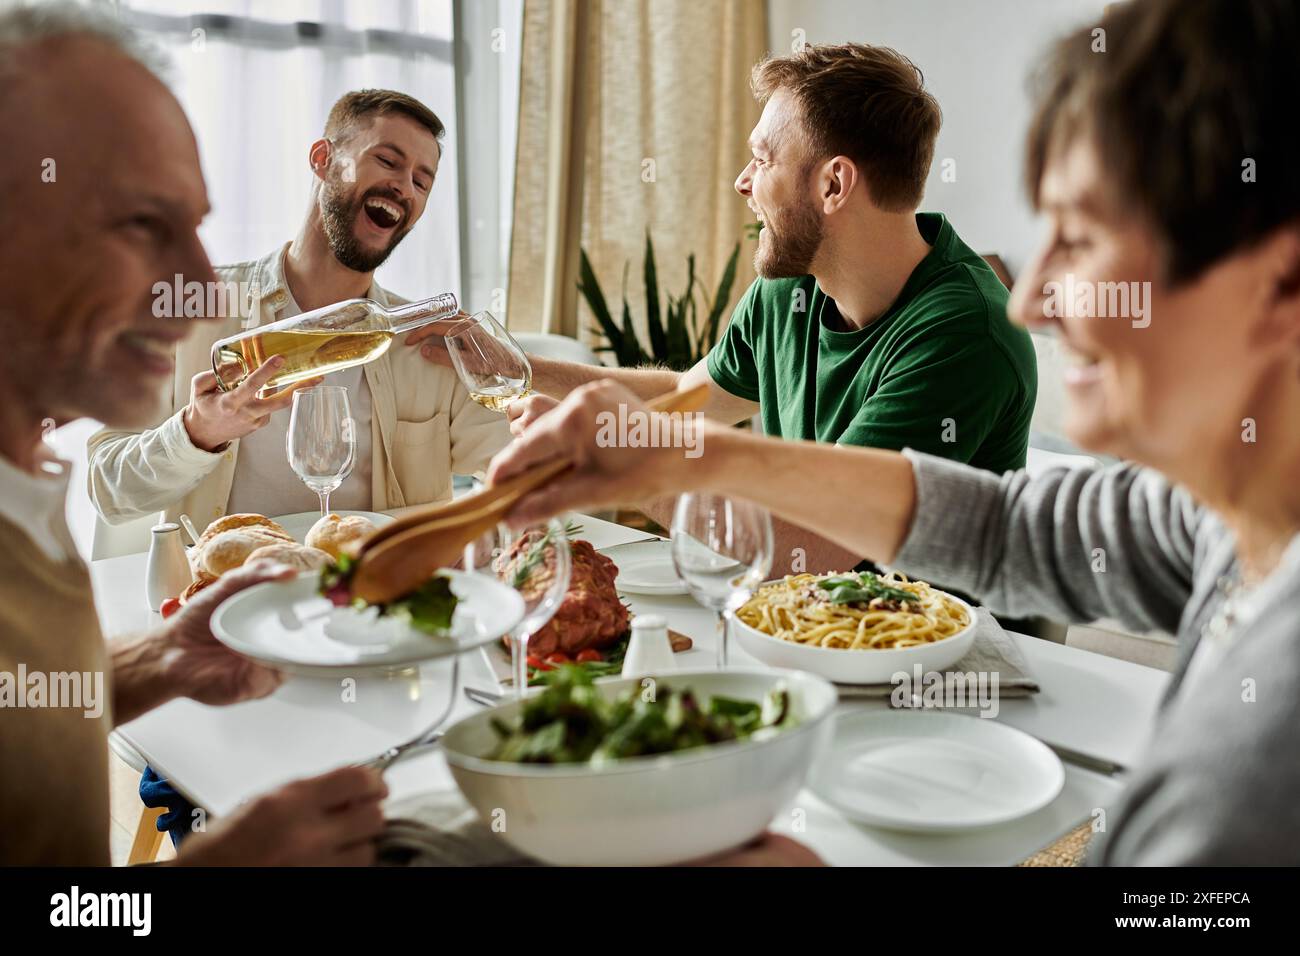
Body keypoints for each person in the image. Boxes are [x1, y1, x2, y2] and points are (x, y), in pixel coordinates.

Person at [488, 0, 1300, 865]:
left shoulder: (1256, 763)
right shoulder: (1220, 519)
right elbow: (1000, 525)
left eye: (1083, 234)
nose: (1032, 299)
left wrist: (654, 471)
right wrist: (672, 448)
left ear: (1279, 280)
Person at [0, 2, 387, 866]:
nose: (202, 290)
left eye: (196, 227)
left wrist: (159, 662)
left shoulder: (23, 492)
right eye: (143, 224)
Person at [413, 42, 1037, 576]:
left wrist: (612, 467)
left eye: (763, 160)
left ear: (833, 185)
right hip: (803, 631)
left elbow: (808, 545)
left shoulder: (961, 333)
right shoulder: (789, 289)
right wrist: (518, 366)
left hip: (925, 665)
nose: (742, 181)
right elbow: (687, 400)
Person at [86, 89, 508, 528]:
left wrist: (508, 372)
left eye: (422, 181)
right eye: (387, 160)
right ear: (323, 158)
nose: (405, 186)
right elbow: (109, 490)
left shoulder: (426, 343)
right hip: (230, 587)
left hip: (373, 591)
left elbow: (522, 466)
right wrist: (199, 431)